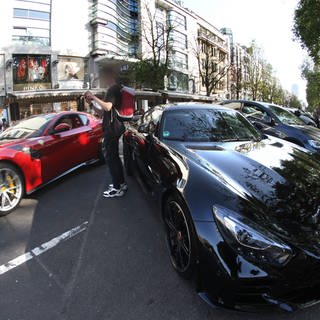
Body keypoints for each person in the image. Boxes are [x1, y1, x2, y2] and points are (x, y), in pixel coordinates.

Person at [84, 66, 127, 198]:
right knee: (114, 157)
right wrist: (91, 104)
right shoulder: (115, 89)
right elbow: (103, 113)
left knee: (111, 158)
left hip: (112, 129)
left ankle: (117, 188)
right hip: (113, 127)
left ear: (109, 77)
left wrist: (93, 96)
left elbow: (108, 107)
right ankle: (121, 183)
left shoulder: (113, 89)